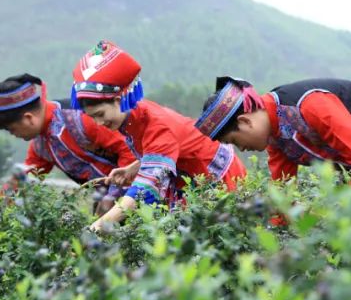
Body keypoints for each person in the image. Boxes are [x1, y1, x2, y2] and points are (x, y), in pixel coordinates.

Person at [68, 41, 247, 231]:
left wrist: (96, 228)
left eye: (100, 115)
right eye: (92, 117)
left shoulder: (157, 126)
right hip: (189, 180)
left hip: (217, 178)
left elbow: (143, 190)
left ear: (118, 100)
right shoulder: (133, 115)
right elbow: (163, 151)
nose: (99, 123)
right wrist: (135, 167)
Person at [0, 73, 135, 215]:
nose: (14, 135)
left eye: (12, 129)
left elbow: (129, 149)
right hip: (107, 198)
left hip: (140, 187)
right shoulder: (40, 145)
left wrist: (115, 194)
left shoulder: (82, 118)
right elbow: (26, 178)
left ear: (28, 118)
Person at [194, 76, 351, 179]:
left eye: (234, 141)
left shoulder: (311, 105)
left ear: (245, 121)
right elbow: (284, 193)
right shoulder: (277, 139)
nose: (242, 149)